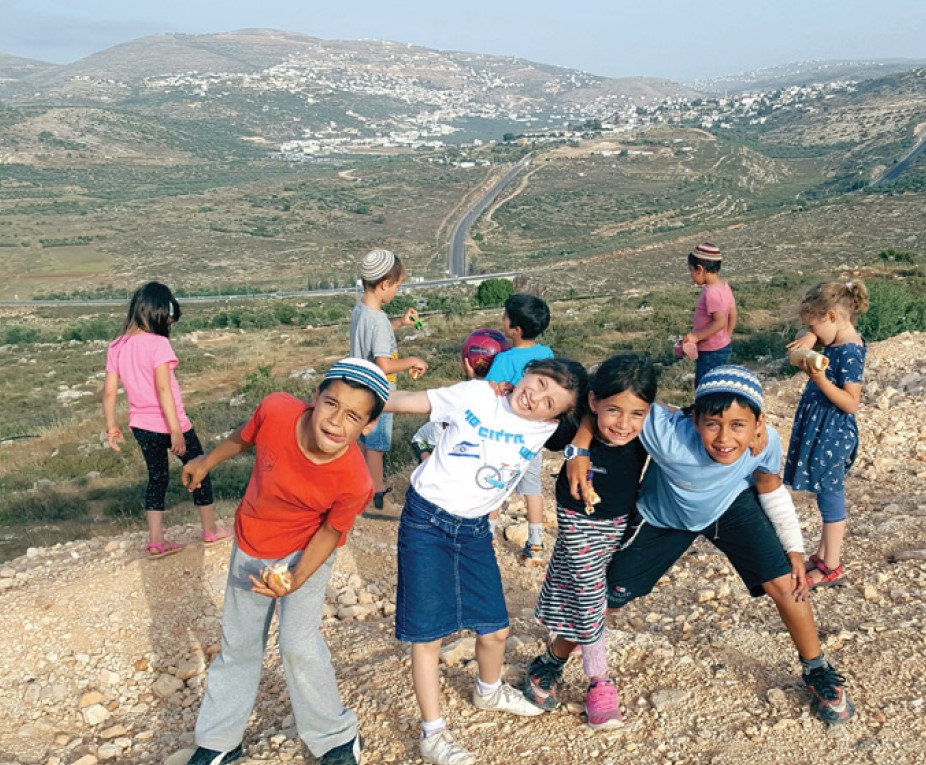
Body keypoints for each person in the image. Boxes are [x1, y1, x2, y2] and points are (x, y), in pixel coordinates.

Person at [562, 366, 854, 725]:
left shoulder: (766, 441)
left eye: (738, 424)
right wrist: (578, 449)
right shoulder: (668, 433)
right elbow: (608, 404)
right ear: (694, 418)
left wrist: (794, 550)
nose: (724, 437)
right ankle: (552, 658)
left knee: (788, 583)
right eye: (713, 423)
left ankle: (817, 668)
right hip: (664, 516)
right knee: (606, 595)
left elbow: (769, 488)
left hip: (730, 506)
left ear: (758, 423)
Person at [180, 358, 391, 765]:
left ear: (367, 426)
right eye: (331, 404)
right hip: (253, 542)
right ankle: (220, 739)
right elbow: (245, 437)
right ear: (315, 398)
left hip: (308, 550)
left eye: (352, 416)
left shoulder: (355, 481)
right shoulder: (277, 410)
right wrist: (206, 462)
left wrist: (294, 579)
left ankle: (336, 738)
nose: (335, 421)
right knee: (238, 643)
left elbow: (330, 533)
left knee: (298, 643)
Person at [384, 358, 588, 765]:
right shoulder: (476, 394)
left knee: (495, 630)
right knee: (428, 637)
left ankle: (488, 690)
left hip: (475, 530)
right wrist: (352, 396)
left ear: (556, 416)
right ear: (528, 371)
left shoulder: (547, 428)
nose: (536, 398)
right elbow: (404, 401)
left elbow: (595, 419)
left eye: (550, 401)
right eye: (540, 382)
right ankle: (433, 734)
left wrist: (579, 449)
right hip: (426, 522)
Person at [523, 354, 654, 729]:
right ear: (594, 403)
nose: (624, 424)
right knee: (588, 593)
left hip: (621, 524)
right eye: (613, 410)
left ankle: (552, 660)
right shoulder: (571, 429)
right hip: (577, 519)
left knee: (592, 596)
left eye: (636, 414)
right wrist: (578, 444)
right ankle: (600, 681)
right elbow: (530, 412)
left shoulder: (645, 431)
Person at [102, 281, 229, 557]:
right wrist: (176, 430)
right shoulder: (158, 344)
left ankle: (156, 540)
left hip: (141, 426)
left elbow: (109, 392)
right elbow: (163, 389)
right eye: (169, 320)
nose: (168, 326)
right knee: (199, 468)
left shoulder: (117, 346)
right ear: (159, 312)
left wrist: (112, 427)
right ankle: (210, 529)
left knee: (156, 479)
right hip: (172, 425)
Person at [784, 280, 868, 588]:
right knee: (823, 491)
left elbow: (851, 402)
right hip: (823, 430)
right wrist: (809, 334)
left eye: (814, 325)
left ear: (832, 315)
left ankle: (832, 565)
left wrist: (818, 379)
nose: (813, 333)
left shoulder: (849, 351)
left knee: (831, 496)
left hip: (833, 433)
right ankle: (821, 556)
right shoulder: (835, 338)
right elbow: (816, 334)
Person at [349, 248, 428, 518]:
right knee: (377, 447)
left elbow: (373, 340)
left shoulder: (361, 310)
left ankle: (360, 491)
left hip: (359, 388)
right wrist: (412, 361)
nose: (397, 290)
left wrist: (400, 323)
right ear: (385, 284)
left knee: (363, 441)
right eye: (397, 285)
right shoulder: (378, 321)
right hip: (380, 392)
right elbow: (384, 364)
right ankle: (377, 499)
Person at [484, 294, 554, 563]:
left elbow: (489, 392)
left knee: (496, 485)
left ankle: (487, 537)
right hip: (534, 436)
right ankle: (536, 543)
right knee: (532, 488)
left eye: (505, 317)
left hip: (507, 436)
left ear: (515, 330)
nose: (502, 319)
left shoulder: (503, 360)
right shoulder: (546, 354)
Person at [681, 242, 738, 387]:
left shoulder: (710, 292)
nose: (691, 276)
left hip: (710, 351)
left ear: (699, 269)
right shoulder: (724, 286)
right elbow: (733, 314)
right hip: (723, 346)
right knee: (719, 384)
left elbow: (719, 322)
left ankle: (703, 409)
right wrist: (727, 336)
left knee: (704, 386)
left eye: (691, 271)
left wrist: (695, 337)